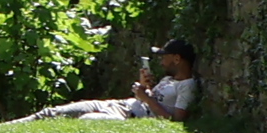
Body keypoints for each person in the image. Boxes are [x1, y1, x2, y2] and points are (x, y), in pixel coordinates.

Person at [22, 41, 200, 123]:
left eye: (164, 56)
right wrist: (145, 87)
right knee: (55, 112)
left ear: (177, 59)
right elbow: (154, 99)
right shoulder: (168, 78)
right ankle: (4, 128)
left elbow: (176, 121)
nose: (161, 61)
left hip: (131, 116)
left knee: (86, 121)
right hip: (122, 105)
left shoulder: (188, 86)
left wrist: (146, 99)